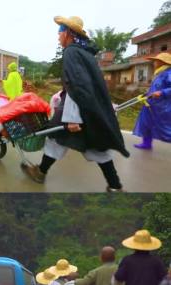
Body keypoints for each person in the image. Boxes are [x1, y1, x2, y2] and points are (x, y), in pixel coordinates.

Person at [22, 16, 129, 192]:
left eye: (59, 32)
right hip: (88, 109)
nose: (58, 36)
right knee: (94, 147)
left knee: (57, 138)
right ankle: (115, 186)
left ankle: (40, 172)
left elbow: (77, 85)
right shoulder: (85, 53)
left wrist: (73, 117)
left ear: (67, 33)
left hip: (76, 109)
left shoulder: (71, 52)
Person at [133, 52, 171, 150]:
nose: (154, 63)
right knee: (146, 123)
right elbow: (155, 88)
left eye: (156, 61)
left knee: (164, 128)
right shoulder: (159, 73)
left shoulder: (169, 73)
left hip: (162, 106)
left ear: (162, 62)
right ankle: (146, 144)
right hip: (151, 103)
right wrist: (147, 94)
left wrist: (162, 92)